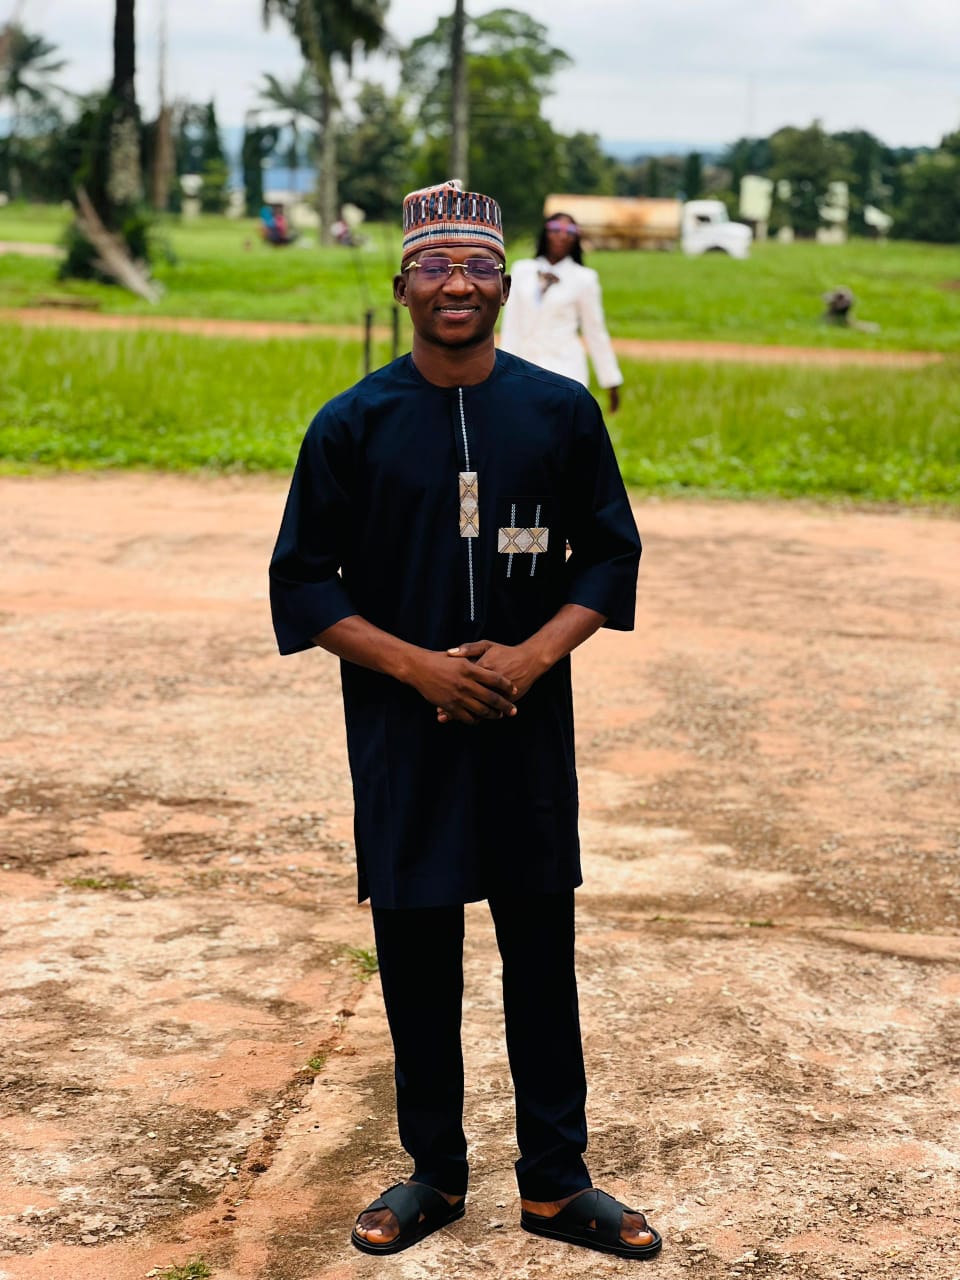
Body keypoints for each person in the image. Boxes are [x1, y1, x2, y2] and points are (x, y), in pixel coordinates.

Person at [269, 178, 660, 1263]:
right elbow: (304, 582)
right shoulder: (353, 424)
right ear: (402, 287)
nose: (456, 283)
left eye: (477, 267)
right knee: (418, 955)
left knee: (541, 950)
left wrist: (533, 654)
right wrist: (417, 667)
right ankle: (435, 1170)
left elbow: (612, 551)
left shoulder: (556, 412)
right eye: (435, 267)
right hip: (406, 736)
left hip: (527, 731)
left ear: (504, 284)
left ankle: (555, 1179)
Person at [499, 212, 623, 416]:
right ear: (545, 233)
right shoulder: (522, 271)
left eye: (570, 231)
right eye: (556, 229)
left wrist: (611, 380)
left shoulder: (584, 279)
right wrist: (502, 372)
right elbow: (511, 325)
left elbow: (595, 331)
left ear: (577, 238)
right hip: (525, 365)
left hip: (566, 368)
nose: (562, 236)